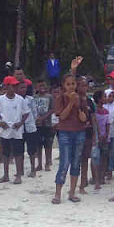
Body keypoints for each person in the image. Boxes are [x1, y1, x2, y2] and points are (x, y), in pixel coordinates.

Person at [52, 74, 88, 204]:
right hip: (65, 132)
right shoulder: (60, 98)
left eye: (73, 84)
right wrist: (72, 102)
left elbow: (84, 117)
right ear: (64, 86)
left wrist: (80, 110)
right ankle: (58, 193)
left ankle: (72, 192)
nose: (71, 86)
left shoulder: (81, 99)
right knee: (64, 163)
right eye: (68, 84)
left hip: (79, 131)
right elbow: (62, 116)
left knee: (76, 162)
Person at [0, 75, 29, 185]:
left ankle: (18, 175)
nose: (13, 88)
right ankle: (6, 175)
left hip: (17, 130)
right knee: (5, 154)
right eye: (11, 86)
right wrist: (0, 122)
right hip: (5, 130)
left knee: (18, 153)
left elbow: (26, 113)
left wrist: (20, 123)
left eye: (15, 86)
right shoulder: (0, 100)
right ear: (6, 86)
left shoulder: (20, 99)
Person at [77, 76, 96, 194]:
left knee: (85, 159)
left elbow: (93, 118)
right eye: (81, 85)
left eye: (85, 85)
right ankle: (76, 183)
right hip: (77, 132)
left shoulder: (90, 101)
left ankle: (83, 183)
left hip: (88, 133)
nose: (84, 87)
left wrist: (94, 134)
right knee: (76, 159)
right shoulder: (75, 99)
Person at [17, 80, 39, 178]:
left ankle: (33, 169)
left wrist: (33, 122)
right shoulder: (16, 99)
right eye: (21, 87)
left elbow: (34, 112)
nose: (23, 90)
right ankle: (20, 170)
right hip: (19, 127)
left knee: (32, 150)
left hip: (30, 126)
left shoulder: (30, 99)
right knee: (19, 150)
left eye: (24, 88)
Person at [34, 80, 54, 173]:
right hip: (37, 124)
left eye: (43, 85)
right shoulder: (34, 97)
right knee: (38, 144)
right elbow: (33, 109)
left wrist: (43, 118)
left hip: (47, 123)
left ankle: (47, 163)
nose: (42, 87)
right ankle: (39, 164)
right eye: (40, 85)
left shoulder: (49, 97)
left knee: (47, 144)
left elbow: (52, 109)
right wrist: (37, 118)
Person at [93, 90, 109, 189]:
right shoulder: (95, 111)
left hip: (104, 137)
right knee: (96, 159)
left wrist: (106, 135)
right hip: (97, 137)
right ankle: (96, 180)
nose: (106, 98)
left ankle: (101, 177)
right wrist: (99, 134)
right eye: (104, 96)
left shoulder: (105, 111)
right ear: (99, 99)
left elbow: (108, 124)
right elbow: (95, 124)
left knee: (103, 158)